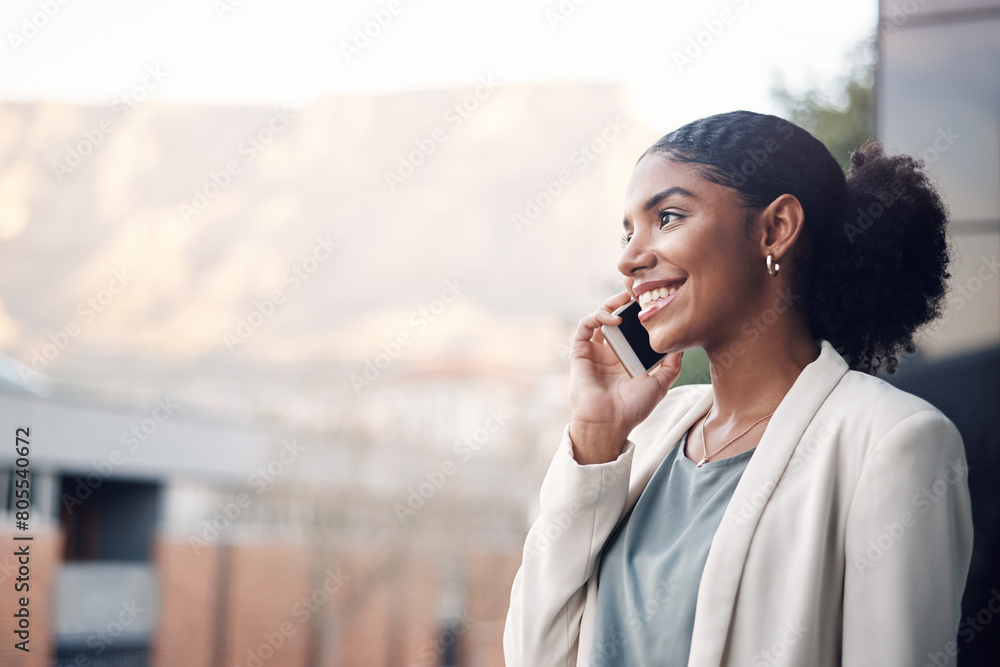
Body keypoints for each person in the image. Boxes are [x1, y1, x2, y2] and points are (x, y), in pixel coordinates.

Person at [503, 111, 973, 667]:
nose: (629, 258)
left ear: (775, 229)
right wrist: (595, 435)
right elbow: (535, 653)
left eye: (668, 217)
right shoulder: (644, 436)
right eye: (628, 232)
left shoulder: (891, 442)